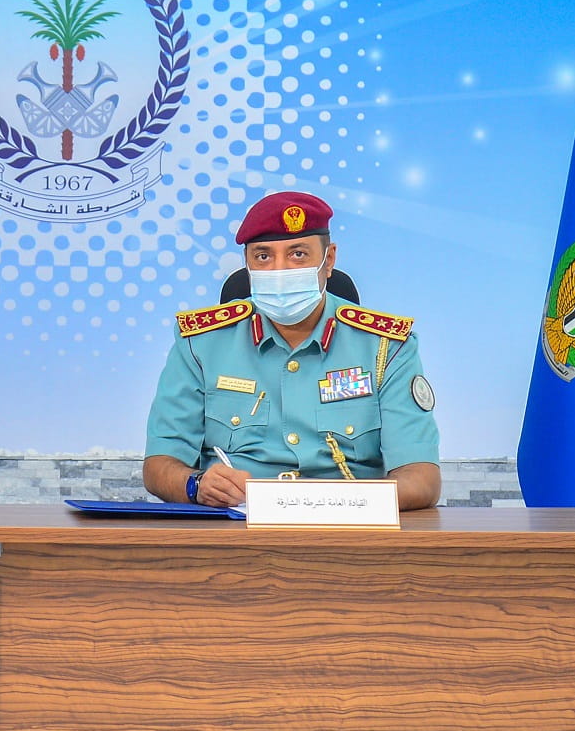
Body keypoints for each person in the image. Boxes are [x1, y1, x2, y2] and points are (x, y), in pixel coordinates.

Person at [142, 191, 441, 509]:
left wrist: (316, 503)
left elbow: (421, 480)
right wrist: (196, 485)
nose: (279, 270)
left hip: (348, 526)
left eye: (298, 254)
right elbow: (159, 466)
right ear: (247, 263)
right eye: (263, 257)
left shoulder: (386, 346)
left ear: (329, 260)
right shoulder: (200, 343)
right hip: (236, 526)